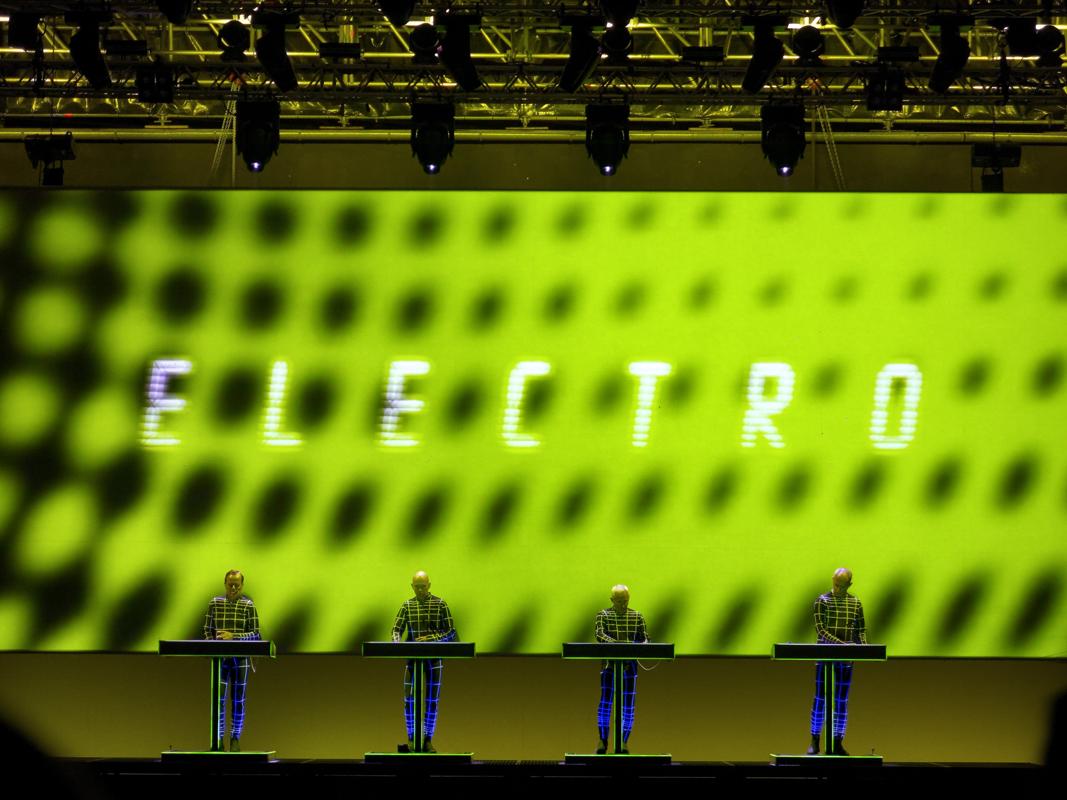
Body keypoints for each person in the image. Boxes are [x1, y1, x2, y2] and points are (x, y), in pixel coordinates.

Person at [391, 570, 456, 753]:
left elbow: (450, 632)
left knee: (432, 700)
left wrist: (431, 639)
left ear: (429, 585)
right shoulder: (407, 606)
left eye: (423, 586)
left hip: (434, 659)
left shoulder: (440, 604)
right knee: (408, 699)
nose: (420, 590)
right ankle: (411, 738)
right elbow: (396, 629)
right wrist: (397, 643)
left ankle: (427, 739)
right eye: (417, 587)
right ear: (412, 587)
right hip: (412, 659)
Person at [808, 567, 867, 756]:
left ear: (849, 584)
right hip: (825, 656)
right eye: (835, 584)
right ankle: (815, 741)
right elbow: (821, 630)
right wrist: (843, 645)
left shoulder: (855, 603)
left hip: (846, 658)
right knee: (820, 698)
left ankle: (837, 742)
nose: (837, 588)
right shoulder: (822, 601)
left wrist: (863, 648)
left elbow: (860, 630)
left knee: (842, 700)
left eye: (841, 586)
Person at [202, 569, 261, 752]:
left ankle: (235, 738)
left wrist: (234, 636)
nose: (234, 588)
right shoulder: (215, 603)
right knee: (217, 701)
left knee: (238, 701)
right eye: (230, 584)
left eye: (237, 585)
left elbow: (256, 634)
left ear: (242, 585)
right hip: (220, 659)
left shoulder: (248, 605)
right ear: (225, 584)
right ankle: (218, 738)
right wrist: (212, 646)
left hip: (241, 659)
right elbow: (207, 630)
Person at [594, 584, 648, 755]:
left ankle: (624, 742)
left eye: (625, 600)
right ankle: (603, 740)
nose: (623, 604)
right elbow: (600, 634)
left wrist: (639, 645)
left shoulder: (637, 616)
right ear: (612, 600)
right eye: (619, 601)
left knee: (629, 706)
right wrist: (620, 645)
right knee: (606, 703)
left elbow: (644, 638)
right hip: (609, 665)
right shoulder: (603, 615)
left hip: (630, 666)